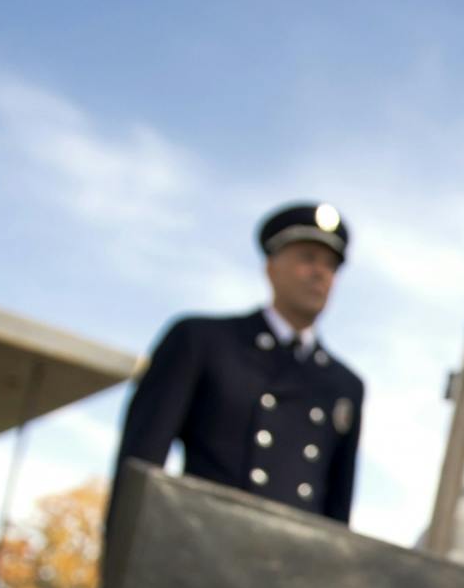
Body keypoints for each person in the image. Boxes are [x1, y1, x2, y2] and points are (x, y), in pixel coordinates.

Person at [115, 203, 365, 524]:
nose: (320, 273)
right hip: (201, 550)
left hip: (294, 567)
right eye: (307, 258)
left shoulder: (344, 386)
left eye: (331, 265)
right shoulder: (202, 341)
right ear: (271, 267)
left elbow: (336, 512)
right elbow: (139, 469)